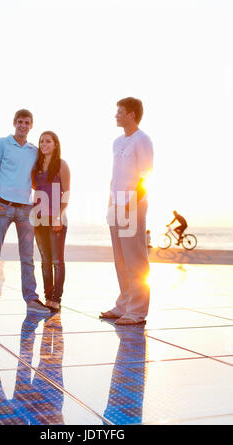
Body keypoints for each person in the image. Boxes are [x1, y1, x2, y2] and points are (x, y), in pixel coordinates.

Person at [0, 109, 51, 316]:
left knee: (27, 256)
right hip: (3, 206)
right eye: (19, 122)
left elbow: (39, 177)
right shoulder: (1, 143)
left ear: (31, 126)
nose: (23, 125)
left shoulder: (34, 150)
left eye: (27, 122)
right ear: (14, 123)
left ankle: (31, 299)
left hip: (25, 209)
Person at [100, 97, 153, 325]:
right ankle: (123, 305)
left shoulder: (143, 140)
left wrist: (132, 202)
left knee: (135, 258)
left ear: (131, 114)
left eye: (120, 112)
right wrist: (111, 202)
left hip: (132, 202)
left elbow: (146, 174)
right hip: (116, 201)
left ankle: (137, 310)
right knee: (120, 258)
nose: (116, 115)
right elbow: (115, 175)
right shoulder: (117, 142)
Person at [31, 131, 70, 311]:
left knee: (57, 261)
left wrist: (58, 216)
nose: (44, 144)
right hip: (38, 218)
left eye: (48, 141)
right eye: (41, 142)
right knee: (45, 261)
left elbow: (67, 193)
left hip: (56, 219)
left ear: (55, 144)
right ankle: (48, 298)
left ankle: (56, 299)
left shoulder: (61, 165)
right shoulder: (36, 166)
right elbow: (35, 187)